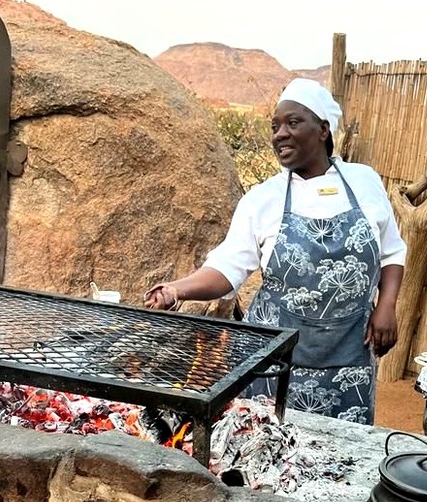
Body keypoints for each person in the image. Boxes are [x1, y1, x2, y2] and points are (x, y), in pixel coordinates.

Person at [144, 78, 406, 425]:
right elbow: (227, 268)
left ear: (323, 129)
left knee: (342, 457)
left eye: (293, 122)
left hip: (349, 359)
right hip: (273, 360)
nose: (279, 134)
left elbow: (391, 252)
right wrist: (177, 289)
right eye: (274, 126)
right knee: (271, 453)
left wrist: (386, 305)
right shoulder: (263, 199)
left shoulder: (364, 182)